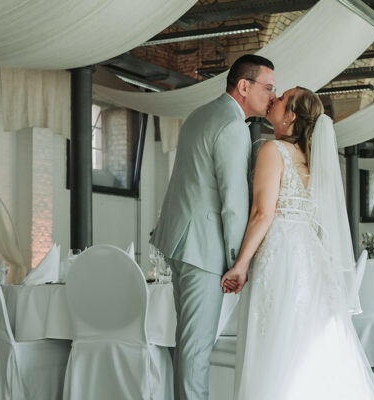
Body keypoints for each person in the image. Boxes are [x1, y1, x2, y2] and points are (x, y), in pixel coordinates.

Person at [221, 87, 374, 399]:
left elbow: (262, 212)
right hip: (309, 255)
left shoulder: (272, 150)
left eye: (281, 98)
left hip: (280, 253)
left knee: (276, 339)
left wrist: (240, 265)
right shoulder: (311, 160)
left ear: (291, 115)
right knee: (309, 339)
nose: (275, 97)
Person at [150, 54, 276, 400]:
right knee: (196, 349)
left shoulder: (200, 114)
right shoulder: (233, 127)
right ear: (244, 86)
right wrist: (240, 262)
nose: (271, 96)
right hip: (203, 250)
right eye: (268, 88)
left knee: (187, 345)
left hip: (180, 243)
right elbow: (233, 204)